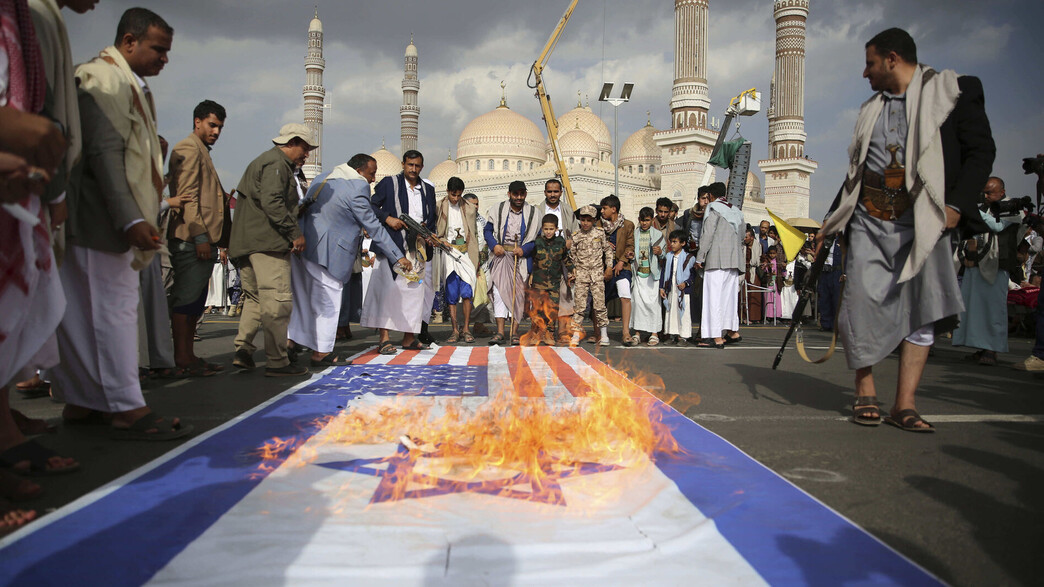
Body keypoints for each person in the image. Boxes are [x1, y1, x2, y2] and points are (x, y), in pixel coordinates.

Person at [818, 28, 995, 431]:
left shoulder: (954, 92)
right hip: (870, 219)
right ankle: (865, 391)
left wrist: (956, 205)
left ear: (892, 59)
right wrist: (832, 219)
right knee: (860, 304)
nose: (865, 73)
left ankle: (904, 404)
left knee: (922, 309)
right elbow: (857, 172)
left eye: (870, 63)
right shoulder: (871, 109)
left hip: (924, 217)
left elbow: (981, 151)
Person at [51, 7, 193, 440]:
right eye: (158, 49)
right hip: (100, 219)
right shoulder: (102, 79)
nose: (164, 59)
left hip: (105, 218)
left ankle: (84, 401)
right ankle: (126, 407)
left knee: (87, 312)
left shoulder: (127, 83)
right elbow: (104, 153)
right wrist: (130, 217)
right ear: (129, 42)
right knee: (110, 313)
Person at [290, 153, 407, 366]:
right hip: (329, 252)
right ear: (359, 171)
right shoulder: (357, 186)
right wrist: (397, 256)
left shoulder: (323, 177)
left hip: (304, 247)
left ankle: (290, 343)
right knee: (328, 303)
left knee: (303, 300)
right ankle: (320, 353)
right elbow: (374, 226)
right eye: (371, 174)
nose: (373, 179)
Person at [228, 123, 315, 376]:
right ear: (292, 142)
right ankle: (277, 361)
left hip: (248, 243)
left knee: (255, 299)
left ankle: (243, 350)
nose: (306, 155)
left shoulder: (264, 161)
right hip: (267, 245)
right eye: (305, 148)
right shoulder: (277, 164)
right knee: (277, 301)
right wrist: (295, 233)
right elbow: (273, 202)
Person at [166, 99, 229, 376]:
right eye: (212, 125)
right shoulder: (189, 148)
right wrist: (200, 236)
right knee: (186, 299)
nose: (216, 131)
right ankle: (182, 357)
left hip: (202, 239)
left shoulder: (200, 149)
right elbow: (187, 197)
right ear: (197, 122)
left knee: (195, 301)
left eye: (220, 127)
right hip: (191, 238)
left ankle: (188, 355)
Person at [362, 149, 437, 354]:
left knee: (414, 292)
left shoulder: (427, 190)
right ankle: (384, 338)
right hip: (392, 245)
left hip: (417, 248)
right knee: (387, 291)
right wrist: (387, 218)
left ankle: (409, 337)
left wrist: (428, 232)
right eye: (410, 165)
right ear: (403, 164)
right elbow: (370, 206)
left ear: (422, 167)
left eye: (417, 166)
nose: (413, 169)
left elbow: (432, 218)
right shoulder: (389, 183)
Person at [953, 177, 1021, 366]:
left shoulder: (1013, 207)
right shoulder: (983, 208)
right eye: (984, 192)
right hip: (976, 262)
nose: (986, 196)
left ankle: (992, 349)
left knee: (993, 308)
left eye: (990, 192)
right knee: (976, 308)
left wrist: (973, 210)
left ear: (1002, 192)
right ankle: (982, 347)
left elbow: (997, 226)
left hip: (998, 263)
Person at [483, 180, 539, 345]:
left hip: (520, 259)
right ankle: (500, 332)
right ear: (509, 194)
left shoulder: (533, 213)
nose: (519, 197)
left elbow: (537, 239)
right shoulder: (498, 209)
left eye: (522, 194)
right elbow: (487, 231)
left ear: (526, 194)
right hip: (500, 256)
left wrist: (525, 249)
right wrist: (494, 245)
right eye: (515, 194)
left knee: (518, 295)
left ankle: (514, 333)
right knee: (499, 293)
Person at [695, 182, 744, 348]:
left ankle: (714, 336)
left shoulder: (713, 208)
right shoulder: (736, 210)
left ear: (710, 195)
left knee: (713, 299)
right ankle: (732, 332)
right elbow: (741, 237)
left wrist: (700, 258)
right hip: (733, 261)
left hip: (716, 260)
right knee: (729, 299)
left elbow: (707, 235)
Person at [435, 176, 478, 343]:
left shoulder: (469, 208)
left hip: (466, 253)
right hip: (448, 253)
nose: (455, 198)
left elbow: (473, 233)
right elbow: (436, 231)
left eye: (459, 195)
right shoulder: (439, 206)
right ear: (447, 191)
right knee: (452, 293)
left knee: (467, 292)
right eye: (453, 195)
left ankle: (466, 329)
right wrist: (441, 240)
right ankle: (454, 330)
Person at [525, 214, 572, 345]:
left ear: (556, 229)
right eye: (546, 229)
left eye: (551, 229)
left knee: (552, 309)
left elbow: (565, 258)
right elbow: (532, 260)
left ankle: (549, 333)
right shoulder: (537, 242)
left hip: (554, 283)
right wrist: (530, 274)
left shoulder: (560, 242)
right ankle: (536, 333)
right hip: (538, 283)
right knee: (537, 309)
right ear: (542, 229)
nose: (548, 232)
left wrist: (572, 269)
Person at [569, 205, 613, 346]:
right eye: (583, 220)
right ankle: (576, 334)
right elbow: (572, 255)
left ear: (594, 220)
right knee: (579, 306)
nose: (585, 223)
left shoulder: (599, 233)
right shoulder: (576, 236)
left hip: (597, 274)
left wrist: (609, 267)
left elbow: (608, 250)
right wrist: (573, 270)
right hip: (581, 275)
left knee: (600, 305)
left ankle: (604, 334)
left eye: (589, 220)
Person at [542, 178, 577, 343]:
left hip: (564, 258)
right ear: (545, 192)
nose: (552, 194)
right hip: (545, 260)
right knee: (547, 297)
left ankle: (563, 331)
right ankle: (547, 331)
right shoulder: (538, 210)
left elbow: (576, 232)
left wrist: (570, 241)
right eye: (549, 191)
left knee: (565, 293)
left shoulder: (568, 210)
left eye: (556, 191)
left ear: (561, 193)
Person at [600, 194, 636, 345]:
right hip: (604, 267)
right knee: (600, 300)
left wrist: (622, 261)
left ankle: (626, 332)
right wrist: (604, 243)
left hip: (622, 268)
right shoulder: (599, 225)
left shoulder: (627, 225)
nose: (602, 211)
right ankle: (599, 333)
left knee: (625, 296)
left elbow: (630, 245)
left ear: (613, 209)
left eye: (605, 208)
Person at [630, 207, 664, 345]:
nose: (644, 223)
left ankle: (654, 333)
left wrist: (660, 252)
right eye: (642, 220)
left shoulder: (658, 235)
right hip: (638, 273)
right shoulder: (634, 234)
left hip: (652, 274)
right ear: (639, 219)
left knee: (653, 304)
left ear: (652, 220)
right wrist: (630, 255)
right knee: (637, 303)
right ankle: (637, 333)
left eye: (647, 220)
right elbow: (630, 250)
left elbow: (664, 255)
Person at [660, 229, 696, 344]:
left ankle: (683, 337)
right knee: (671, 312)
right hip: (671, 289)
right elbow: (664, 273)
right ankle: (672, 335)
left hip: (683, 291)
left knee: (684, 312)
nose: (672, 244)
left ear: (683, 243)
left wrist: (686, 283)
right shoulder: (668, 256)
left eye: (675, 242)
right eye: (671, 241)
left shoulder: (689, 258)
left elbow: (693, 275)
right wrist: (662, 288)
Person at [817, 236, 843, 331]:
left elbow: (848, 257)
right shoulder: (824, 241)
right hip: (825, 272)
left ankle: (836, 325)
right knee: (824, 298)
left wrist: (845, 273)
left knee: (837, 299)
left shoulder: (843, 241)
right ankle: (826, 324)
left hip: (837, 272)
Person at [740, 226, 763, 324]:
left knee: (754, 294)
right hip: (743, 272)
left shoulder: (758, 245)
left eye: (746, 237)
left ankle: (754, 317)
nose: (745, 239)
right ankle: (743, 317)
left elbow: (758, 260)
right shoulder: (741, 246)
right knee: (743, 295)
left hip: (753, 272)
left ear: (752, 237)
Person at [758, 246, 786, 321]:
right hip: (768, 283)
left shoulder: (778, 262)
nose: (772, 255)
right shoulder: (765, 261)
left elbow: (784, 274)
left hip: (776, 284)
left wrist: (784, 268)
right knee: (768, 299)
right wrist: (767, 267)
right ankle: (768, 316)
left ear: (776, 253)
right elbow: (763, 271)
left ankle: (776, 315)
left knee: (776, 300)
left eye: (774, 253)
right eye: (770, 253)